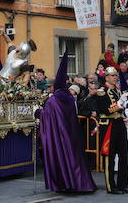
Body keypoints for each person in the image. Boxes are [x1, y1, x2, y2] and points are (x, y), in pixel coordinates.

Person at [39, 54, 96, 193]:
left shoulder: (54, 100)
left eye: (50, 86)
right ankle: (80, 183)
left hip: (61, 135)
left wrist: (37, 112)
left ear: (54, 86)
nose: (49, 88)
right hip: (72, 133)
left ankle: (68, 183)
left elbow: (48, 116)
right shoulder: (68, 97)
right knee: (75, 158)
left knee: (64, 158)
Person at [93, 67, 128, 194]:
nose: (115, 77)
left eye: (116, 75)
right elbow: (105, 110)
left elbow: (120, 109)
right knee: (109, 157)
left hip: (119, 123)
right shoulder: (101, 91)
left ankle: (123, 184)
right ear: (106, 77)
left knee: (124, 155)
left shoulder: (118, 90)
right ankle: (111, 186)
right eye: (112, 75)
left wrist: (125, 112)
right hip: (108, 125)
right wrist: (119, 104)